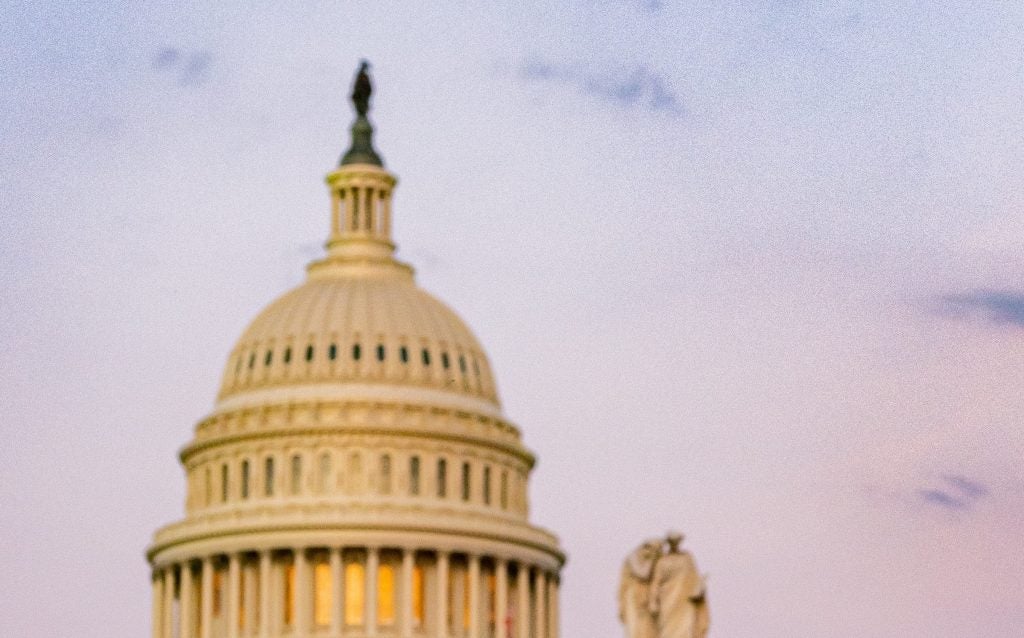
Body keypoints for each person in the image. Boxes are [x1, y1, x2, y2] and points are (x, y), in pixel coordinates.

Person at [648, 532, 709, 638]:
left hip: (685, 600)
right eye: (672, 542)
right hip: (667, 600)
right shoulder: (662, 561)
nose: (674, 544)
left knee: (685, 629)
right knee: (667, 630)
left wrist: (699, 588)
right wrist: (653, 602)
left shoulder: (687, 558)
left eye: (676, 541)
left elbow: (694, 577)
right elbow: (655, 583)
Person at [618, 538, 663, 638]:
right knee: (637, 628)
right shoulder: (633, 557)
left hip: (646, 599)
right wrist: (653, 558)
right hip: (634, 598)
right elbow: (643, 573)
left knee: (650, 629)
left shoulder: (651, 559)